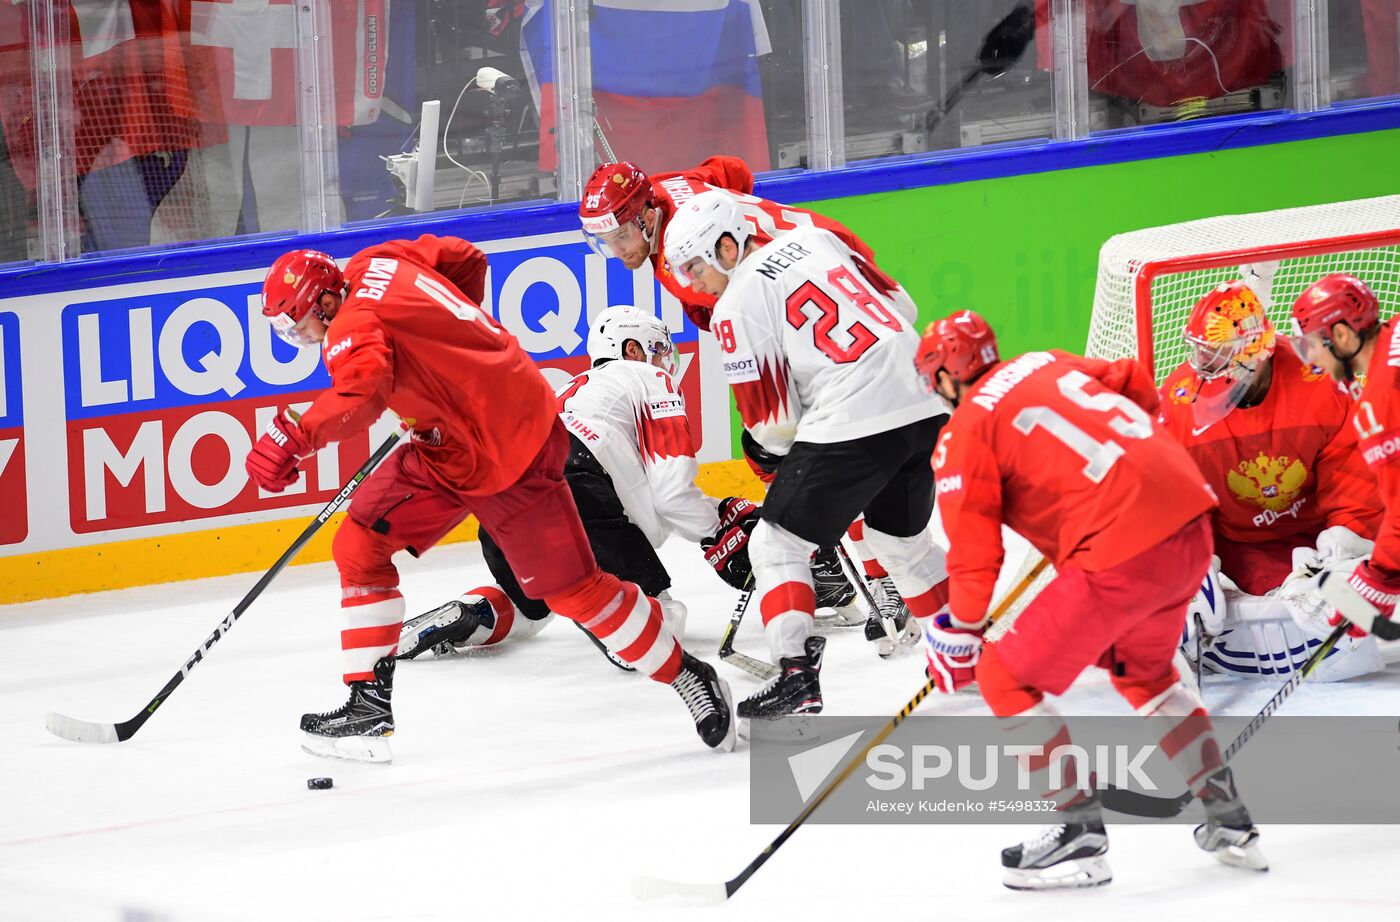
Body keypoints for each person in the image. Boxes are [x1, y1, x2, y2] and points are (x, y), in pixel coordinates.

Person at [246, 239, 735, 763]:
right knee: (361, 546)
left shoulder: (351, 326)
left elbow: (360, 394)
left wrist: (295, 436)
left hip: (499, 457)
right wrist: (453, 354)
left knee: (572, 591)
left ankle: (688, 674)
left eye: (297, 324)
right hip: (492, 433)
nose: (300, 336)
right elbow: (466, 259)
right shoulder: (380, 260)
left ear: (325, 303)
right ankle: (367, 708)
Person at [916, 309, 1265, 891]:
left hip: (1122, 551)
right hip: (1190, 522)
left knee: (1002, 676)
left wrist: (959, 631)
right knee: (1146, 675)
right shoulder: (1046, 361)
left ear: (948, 377)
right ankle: (1227, 817)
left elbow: (976, 558)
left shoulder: (963, 432)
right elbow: (1134, 379)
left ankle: (1077, 830)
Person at [579, 156, 911, 640]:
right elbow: (731, 170)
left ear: (647, 216)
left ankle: (881, 578)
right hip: (829, 253)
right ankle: (826, 555)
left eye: (622, 236)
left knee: (820, 442)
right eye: (605, 241)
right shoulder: (671, 184)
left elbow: (753, 321)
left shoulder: (682, 263)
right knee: (780, 448)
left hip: (819, 295)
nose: (617, 250)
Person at [662, 190, 951, 721]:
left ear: (727, 246)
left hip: (856, 410)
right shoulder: (817, 239)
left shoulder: (735, 304)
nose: (692, 284)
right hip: (924, 396)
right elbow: (903, 307)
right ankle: (966, 649)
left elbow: (774, 425)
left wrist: (774, 459)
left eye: (695, 267)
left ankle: (795, 675)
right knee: (901, 544)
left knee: (775, 544)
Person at [395, 305, 756, 665]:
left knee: (529, 606)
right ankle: (616, 621)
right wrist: (716, 533)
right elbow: (671, 492)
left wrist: (711, 510)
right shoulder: (649, 377)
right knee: (663, 617)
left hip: (502, 496)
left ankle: (474, 612)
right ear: (632, 349)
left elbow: (637, 495)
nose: (664, 360)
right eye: (658, 349)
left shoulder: (573, 390)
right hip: (574, 485)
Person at [1157, 279, 1384, 681]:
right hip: (1238, 546)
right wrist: (1186, 568)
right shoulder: (1179, 402)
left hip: (1316, 536)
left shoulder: (1319, 377)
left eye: (1219, 353)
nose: (1205, 364)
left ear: (1256, 354)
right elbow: (1169, 497)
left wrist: (1345, 549)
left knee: (1366, 611)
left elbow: (1353, 476)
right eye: (1201, 351)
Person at [1290, 273, 1400, 642]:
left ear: (1341, 334)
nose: (1312, 360)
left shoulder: (1381, 403)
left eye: (1313, 345)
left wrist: (1378, 579)